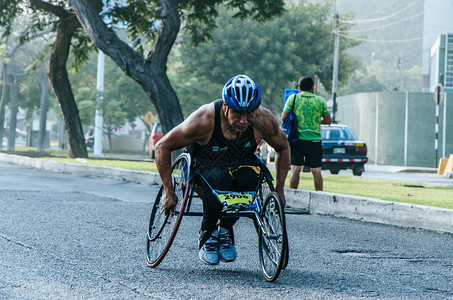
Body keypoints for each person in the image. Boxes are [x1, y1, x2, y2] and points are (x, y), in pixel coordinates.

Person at [155, 74, 290, 266]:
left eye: (249, 113)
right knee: (220, 180)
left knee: (252, 178)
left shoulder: (264, 120)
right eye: (237, 113)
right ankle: (208, 232)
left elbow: (283, 148)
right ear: (225, 106)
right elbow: (162, 147)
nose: (244, 121)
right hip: (202, 169)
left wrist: (280, 188)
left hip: (239, 164)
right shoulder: (204, 120)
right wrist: (168, 191)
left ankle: (225, 229)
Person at [281, 76, 332, 191]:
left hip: (297, 140)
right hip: (314, 141)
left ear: (299, 88)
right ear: (312, 88)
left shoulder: (293, 98)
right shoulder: (320, 100)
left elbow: (284, 117)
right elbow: (328, 120)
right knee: (316, 171)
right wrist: (317, 121)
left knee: (295, 169)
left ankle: (293, 196)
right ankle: (319, 197)